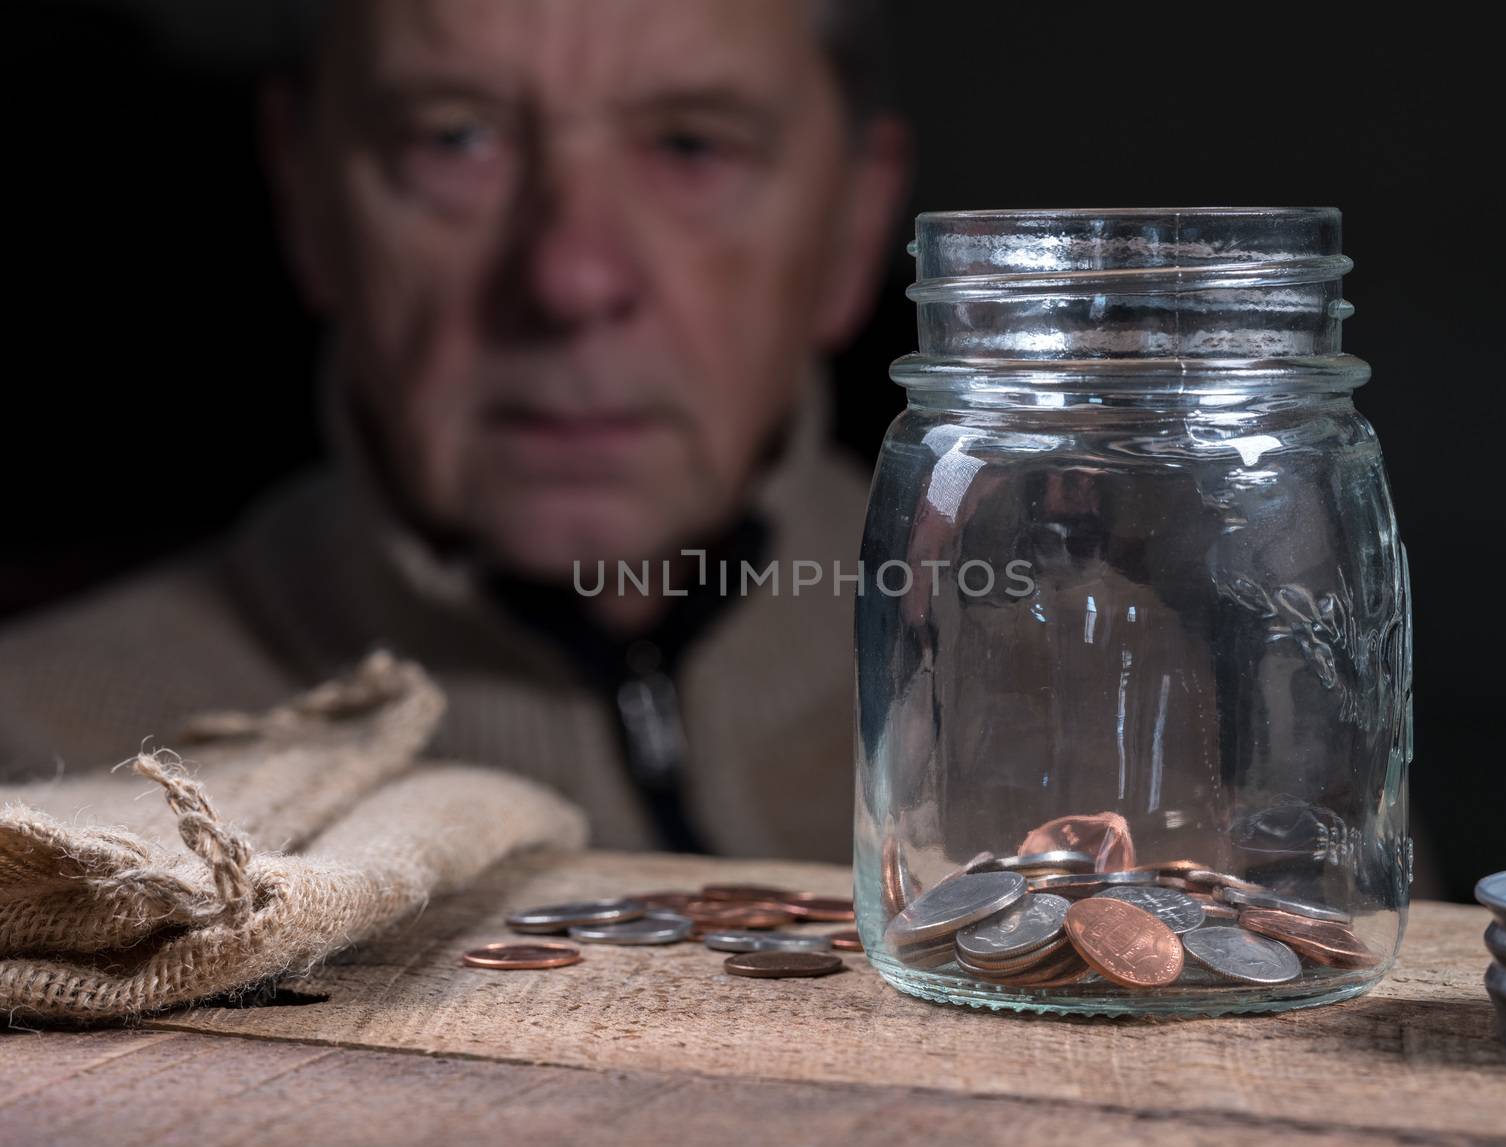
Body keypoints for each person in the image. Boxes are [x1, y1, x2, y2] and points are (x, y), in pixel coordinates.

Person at [0, 0, 910, 861]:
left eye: (691, 145)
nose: (570, 278)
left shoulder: (1047, 697)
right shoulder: (35, 778)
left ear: (853, 225)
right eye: (454, 138)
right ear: (304, 193)